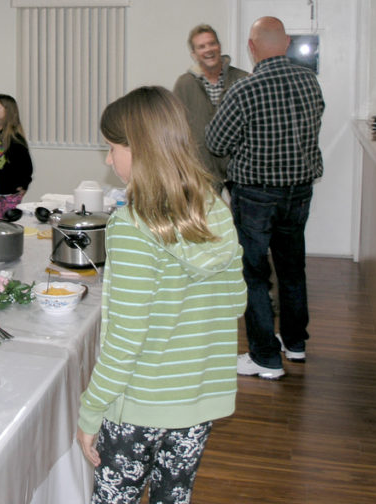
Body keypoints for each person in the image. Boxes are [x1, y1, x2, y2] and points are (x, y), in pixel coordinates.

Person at [76, 86, 246, 504]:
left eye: (113, 147)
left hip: (139, 403)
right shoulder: (217, 210)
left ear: (141, 148)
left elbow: (125, 336)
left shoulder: (132, 226)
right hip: (198, 401)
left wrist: (90, 410)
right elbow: (237, 302)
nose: (108, 159)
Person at [206, 16, 324, 380]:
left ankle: (265, 357)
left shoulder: (245, 89)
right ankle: (295, 343)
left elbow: (216, 142)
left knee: (255, 274)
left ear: (252, 48)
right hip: (299, 190)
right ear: (286, 43)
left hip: (256, 193)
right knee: (292, 268)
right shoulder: (310, 82)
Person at [172, 24, 249, 191]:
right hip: (201, 171)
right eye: (201, 46)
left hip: (240, 170)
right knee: (205, 217)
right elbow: (175, 127)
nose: (208, 50)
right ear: (194, 54)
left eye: (212, 43)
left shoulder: (243, 80)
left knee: (244, 217)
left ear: (219, 46)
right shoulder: (184, 84)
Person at [0, 94, 33, 218]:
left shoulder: (15, 139)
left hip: (10, 194)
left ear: (8, 112)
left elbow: (26, 165)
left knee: (8, 223)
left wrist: (24, 184)